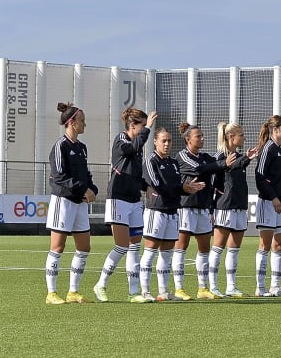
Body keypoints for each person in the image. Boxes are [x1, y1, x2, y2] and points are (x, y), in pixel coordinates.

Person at [93, 107, 156, 303]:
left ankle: (133, 292)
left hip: (134, 200)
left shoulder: (137, 145)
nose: (146, 129)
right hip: (118, 199)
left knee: (135, 246)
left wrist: (146, 187)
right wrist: (147, 130)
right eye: (142, 126)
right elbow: (132, 148)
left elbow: (135, 173)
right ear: (132, 125)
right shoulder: (121, 140)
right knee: (121, 246)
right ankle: (101, 284)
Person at [44, 102, 98, 304]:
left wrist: (92, 189)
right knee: (57, 247)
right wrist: (82, 189)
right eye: (82, 121)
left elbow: (86, 175)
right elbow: (59, 177)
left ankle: (73, 291)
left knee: (84, 247)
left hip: (80, 203)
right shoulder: (60, 146)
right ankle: (51, 293)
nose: (85, 124)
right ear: (72, 123)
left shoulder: (82, 148)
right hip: (63, 202)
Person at [141, 128, 204, 301]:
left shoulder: (173, 163)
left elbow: (177, 187)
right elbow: (158, 187)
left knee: (166, 254)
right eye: (163, 141)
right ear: (155, 141)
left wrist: (187, 189)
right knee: (150, 252)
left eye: (169, 141)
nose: (167, 144)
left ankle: (164, 291)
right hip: (156, 211)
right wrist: (181, 188)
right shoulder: (150, 161)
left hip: (172, 212)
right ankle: (145, 291)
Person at [175, 123, 227, 301]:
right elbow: (199, 169)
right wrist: (218, 165)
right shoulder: (182, 156)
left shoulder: (206, 157)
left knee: (204, 248)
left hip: (203, 206)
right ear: (188, 139)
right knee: (181, 247)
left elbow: (220, 166)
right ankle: (179, 288)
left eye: (203, 136)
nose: (202, 138)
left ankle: (203, 287)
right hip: (186, 206)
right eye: (199, 136)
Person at [211, 122, 259, 297]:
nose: (244, 137)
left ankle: (231, 286)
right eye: (241, 134)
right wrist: (210, 208)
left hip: (239, 206)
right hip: (224, 207)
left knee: (234, 248)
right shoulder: (219, 157)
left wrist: (246, 158)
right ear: (231, 137)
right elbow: (213, 183)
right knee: (218, 247)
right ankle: (213, 286)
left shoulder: (238, 157)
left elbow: (238, 164)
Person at [254, 115, 281, 297]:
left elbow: (279, 177)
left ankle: (275, 286)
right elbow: (260, 177)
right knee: (265, 244)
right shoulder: (267, 149)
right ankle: (260, 288)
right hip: (269, 203)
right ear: (276, 130)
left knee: (278, 245)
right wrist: (274, 197)